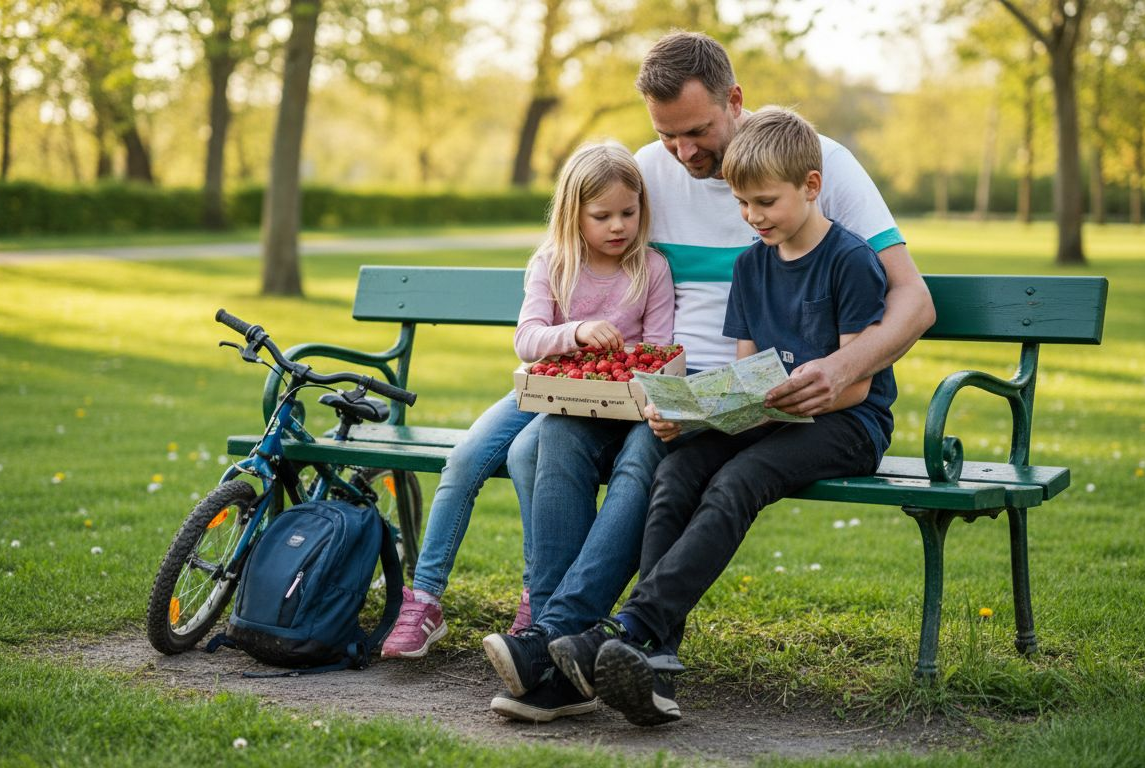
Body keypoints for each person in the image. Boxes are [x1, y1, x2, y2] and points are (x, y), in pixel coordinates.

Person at [485, 31, 935, 721]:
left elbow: (914, 300)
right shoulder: (651, 176)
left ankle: (574, 647)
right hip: (680, 385)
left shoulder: (816, 165)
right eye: (666, 135)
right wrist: (590, 346)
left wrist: (841, 369)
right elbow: (586, 263)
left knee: (658, 461)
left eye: (696, 132)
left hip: (786, 401)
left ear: (735, 100)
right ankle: (574, 646)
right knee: (554, 438)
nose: (683, 153)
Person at [553, 106, 897, 725]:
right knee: (675, 473)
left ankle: (632, 629)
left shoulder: (848, 260)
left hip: (847, 423)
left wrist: (788, 395)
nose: (753, 217)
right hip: (773, 416)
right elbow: (746, 381)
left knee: (739, 480)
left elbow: (855, 386)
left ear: (811, 186)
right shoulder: (751, 265)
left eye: (765, 202)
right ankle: (653, 669)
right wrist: (694, 417)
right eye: (742, 204)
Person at [380, 142, 674, 660]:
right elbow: (527, 338)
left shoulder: (650, 269)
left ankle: (537, 594)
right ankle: (424, 597)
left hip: (599, 402)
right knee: (464, 459)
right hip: (543, 387)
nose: (618, 226)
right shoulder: (553, 263)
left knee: (526, 455)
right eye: (602, 216)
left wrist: (624, 364)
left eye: (628, 213)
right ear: (573, 213)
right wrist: (576, 332)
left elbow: (657, 350)